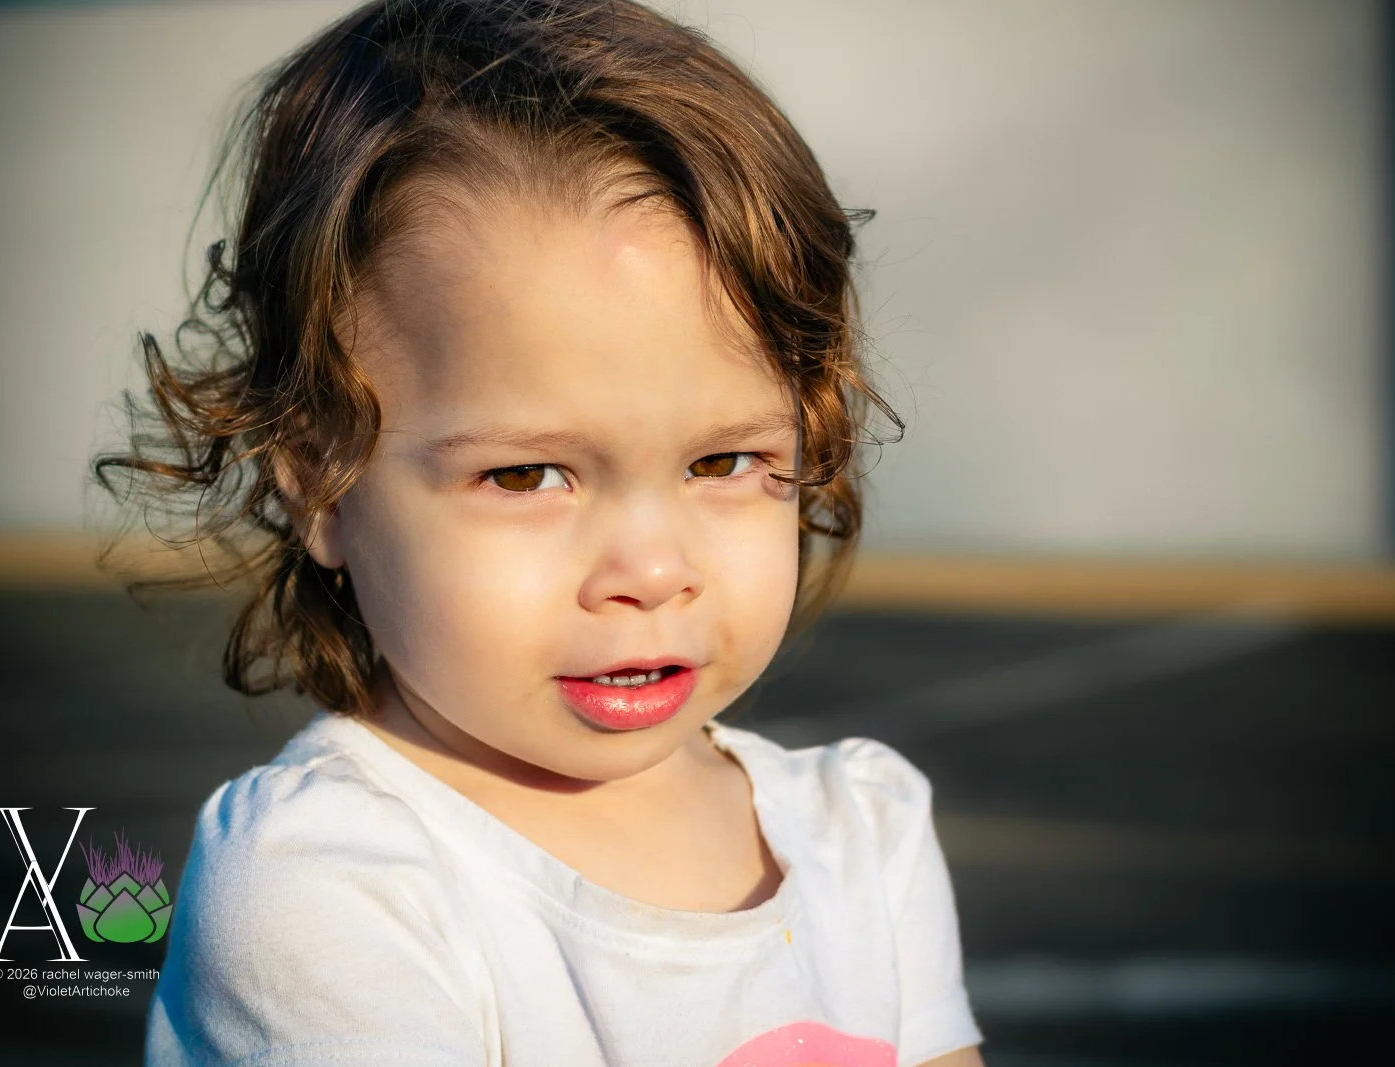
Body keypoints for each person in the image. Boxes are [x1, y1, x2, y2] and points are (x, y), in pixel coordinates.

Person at [98, 1, 984, 1064]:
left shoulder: (861, 834)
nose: (650, 570)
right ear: (321, 483)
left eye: (721, 463)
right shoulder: (332, 885)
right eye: (526, 474)